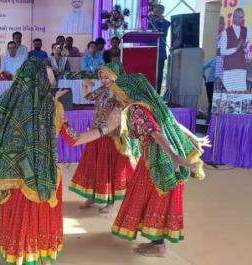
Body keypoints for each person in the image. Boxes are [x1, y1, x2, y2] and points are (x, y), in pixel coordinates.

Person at [0, 57, 118, 265]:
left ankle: (19, 255)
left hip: (12, 175)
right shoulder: (53, 108)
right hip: (44, 176)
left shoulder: (8, 105)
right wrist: (106, 127)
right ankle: (40, 255)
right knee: (41, 218)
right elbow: (74, 139)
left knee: (18, 218)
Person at [107, 73, 209, 257]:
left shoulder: (137, 109)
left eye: (119, 92)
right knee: (156, 199)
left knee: (153, 199)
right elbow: (173, 123)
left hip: (156, 160)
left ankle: (159, 246)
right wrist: (195, 139)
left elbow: (155, 133)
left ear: (130, 91)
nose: (117, 96)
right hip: (161, 158)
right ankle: (157, 243)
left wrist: (174, 156)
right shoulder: (153, 103)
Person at [69, 64, 133, 213]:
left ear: (113, 76)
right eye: (101, 77)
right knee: (94, 166)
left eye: (106, 77)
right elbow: (88, 96)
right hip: (96, 132)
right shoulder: (102, 90)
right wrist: (85, 84)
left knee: (108, 168)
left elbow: (123, 111)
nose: (103, 80)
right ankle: (92, 197)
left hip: (110, 135)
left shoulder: (119, 93)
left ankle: (110, 203)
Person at [220, 8, 251, 92]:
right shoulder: (225, 32)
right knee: (229, 94)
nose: (239, 19)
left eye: (241, 17)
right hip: (229, 68)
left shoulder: (246, 31)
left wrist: (244, 46)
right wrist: (236, 48)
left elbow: (246, 48)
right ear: (233, 17)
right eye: (237, 17)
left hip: (241, 67)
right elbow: (222, 51)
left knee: (240, 94)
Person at [148, 4, 171, 94]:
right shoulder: (150, 22)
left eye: (157, 11)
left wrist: (157, 20)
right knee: (149, 74)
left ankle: (157, 94)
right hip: (150, 52)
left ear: (162, 12)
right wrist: (152, 20)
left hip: (160, 52)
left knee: (158, 75)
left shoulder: (166, 23)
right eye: (154, 11)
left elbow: (162, 33)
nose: (155, 13)